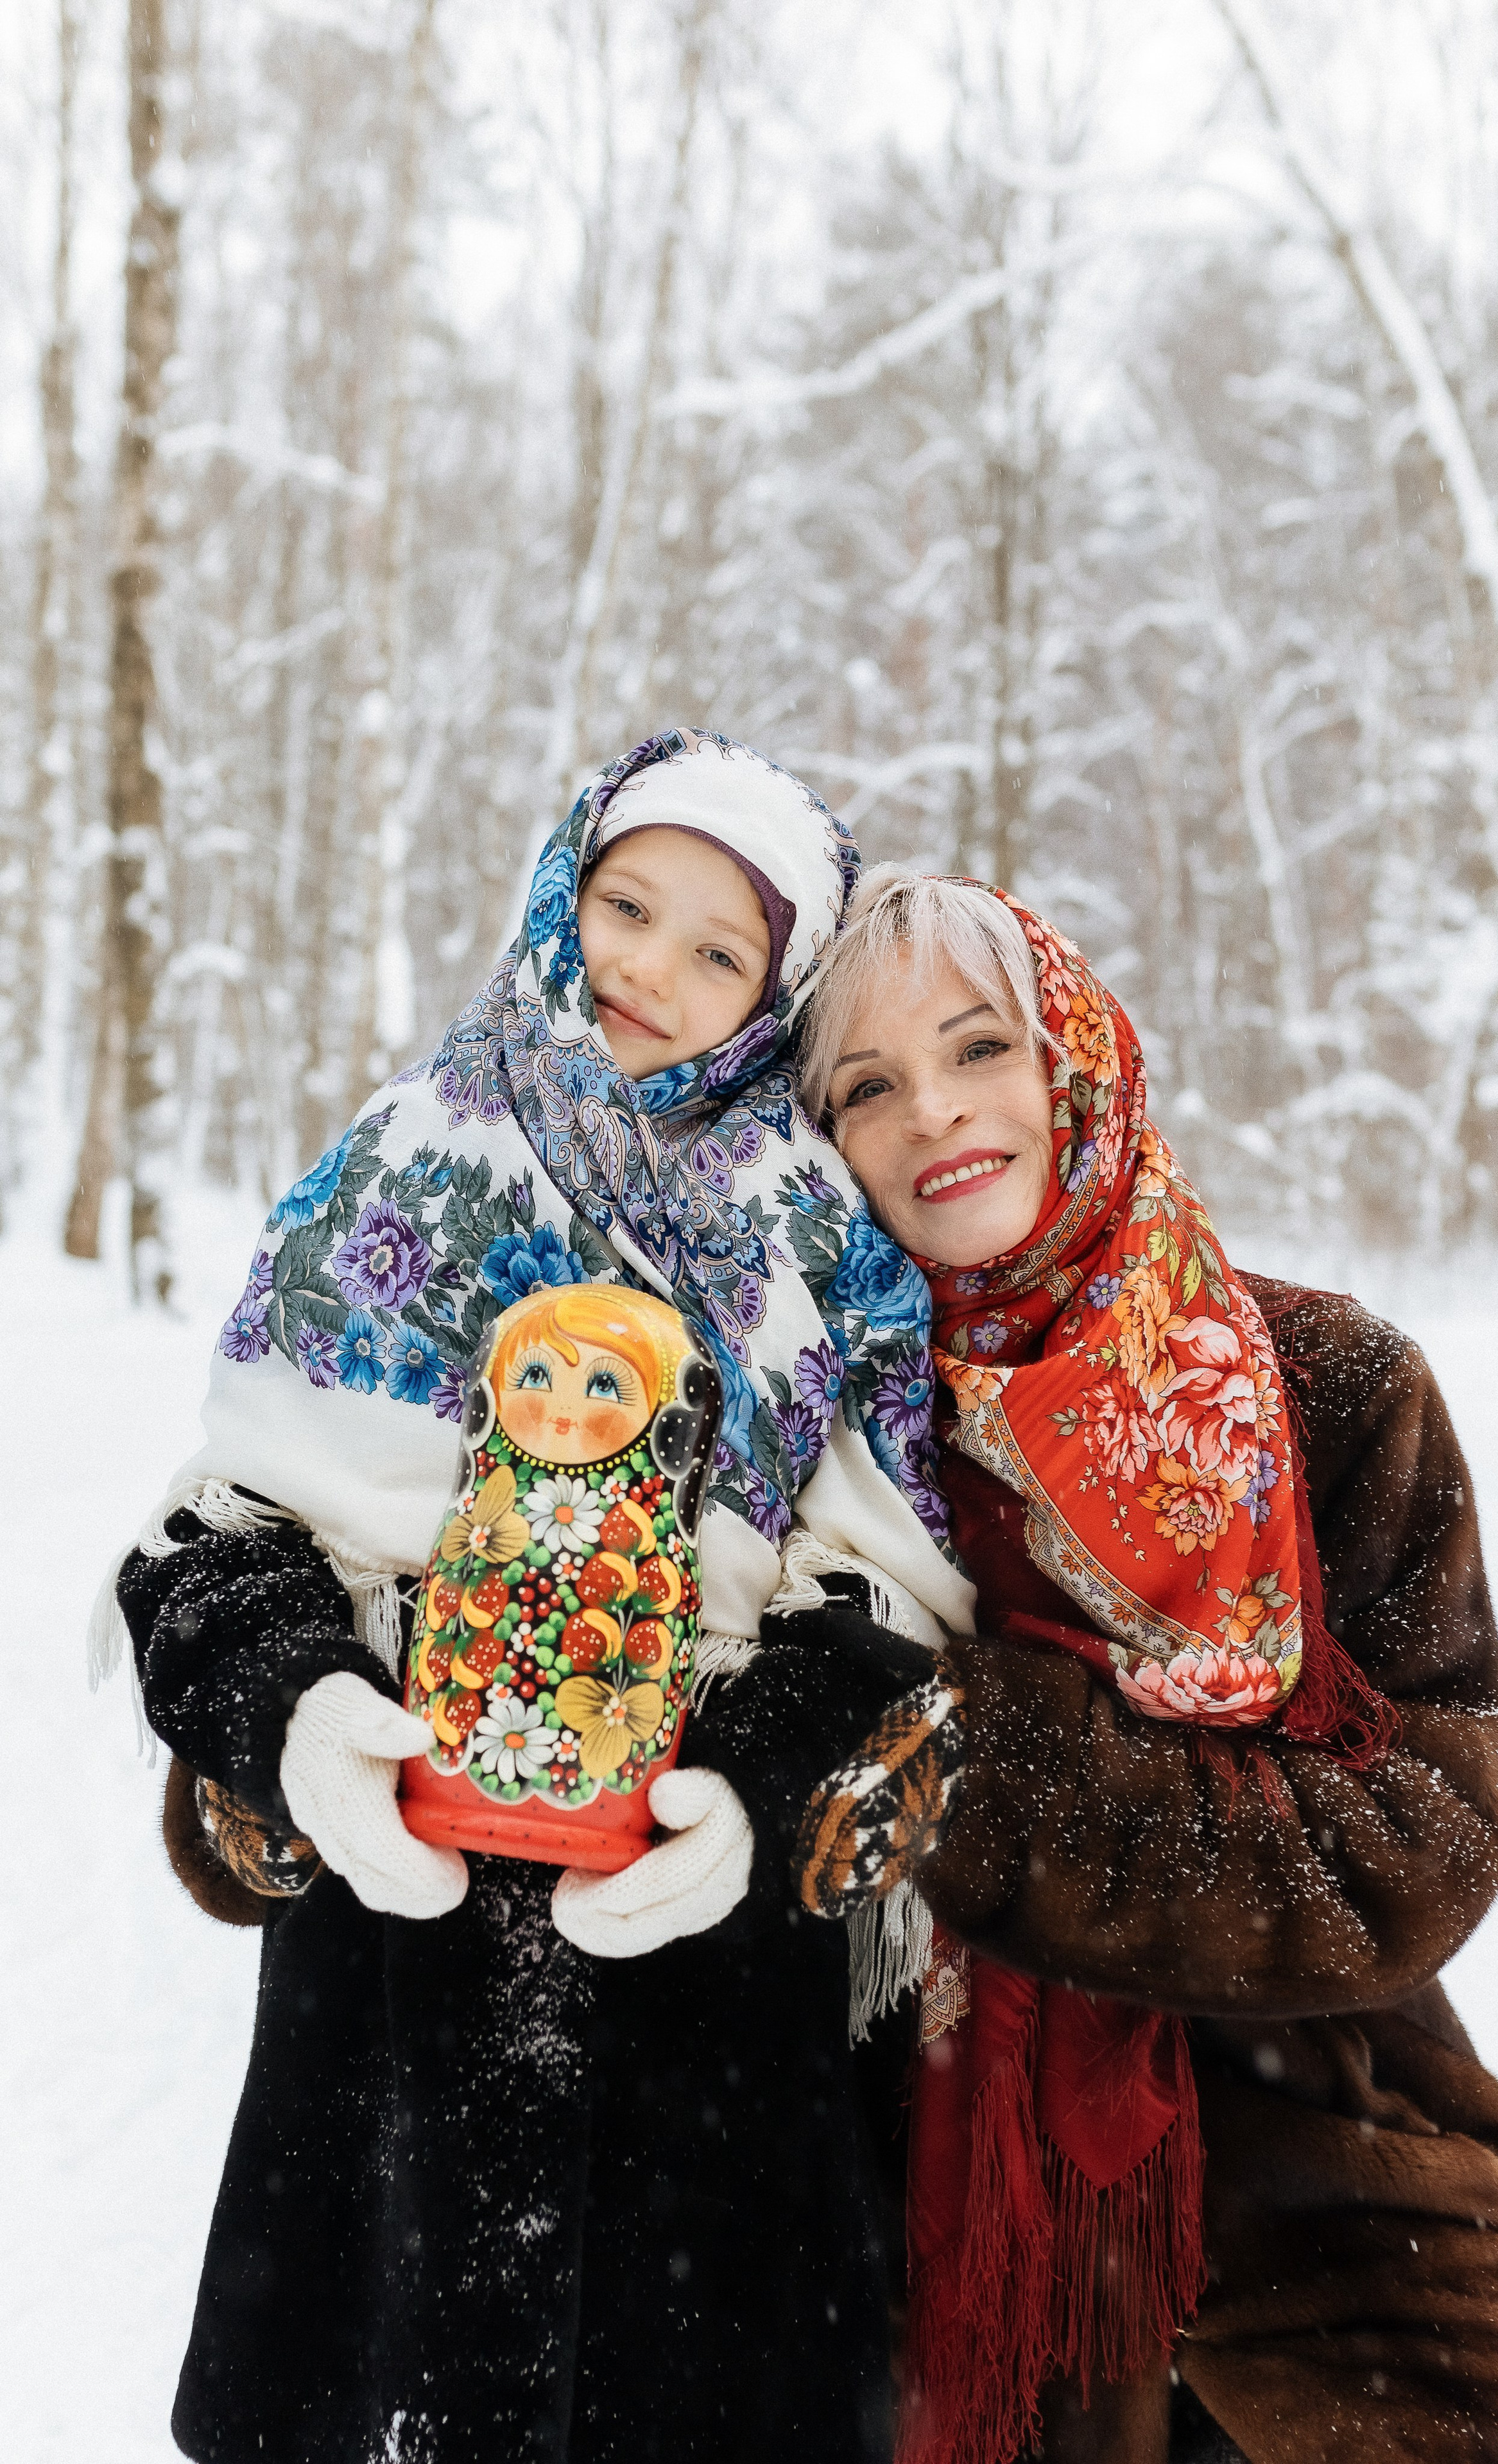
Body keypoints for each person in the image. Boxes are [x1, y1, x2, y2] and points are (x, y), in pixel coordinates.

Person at [105, 733, 974, 2464]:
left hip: (711, 1999)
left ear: (775, 993)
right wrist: (304, 1721)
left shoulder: (814, 1234)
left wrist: (758, 1783)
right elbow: (222, 1533)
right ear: (557, 893)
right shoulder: (400, 1162)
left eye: (718, 949)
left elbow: (881, 1584)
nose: (650, 964)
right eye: (625, 904)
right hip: (398, 1974)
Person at [792, 869, 1498, 2464]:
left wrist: (990, 1779)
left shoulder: (1322, 1384)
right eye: (865, 1086)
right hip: (936, 2274)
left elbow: (1419, 1844)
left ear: (1070, 1060)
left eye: (976, 1048)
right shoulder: (818, 1444)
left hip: (1331, 2261)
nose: (934, 1113)